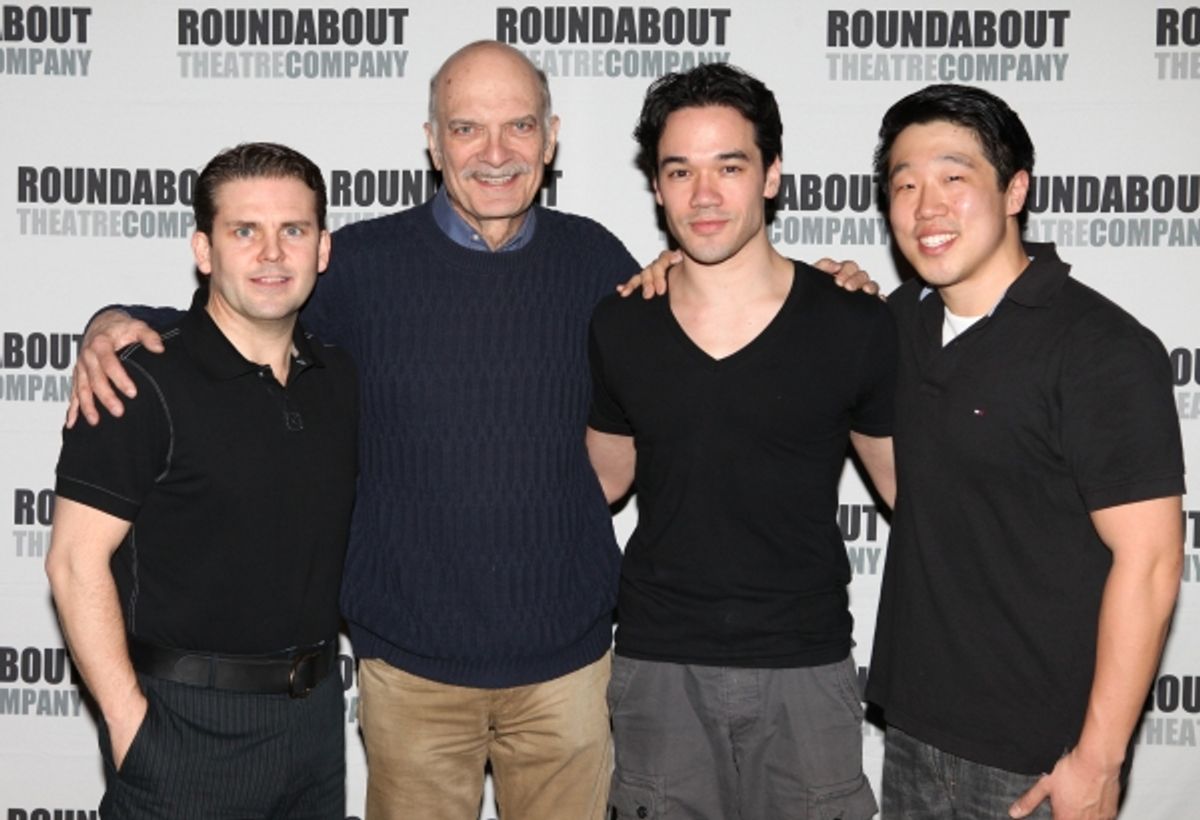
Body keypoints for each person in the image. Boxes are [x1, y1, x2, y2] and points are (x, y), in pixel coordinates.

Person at [65, 42, 872, 820]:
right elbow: (248, 307)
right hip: (409, 673)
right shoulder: (357, 265)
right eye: (466, 128)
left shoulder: (598, 261)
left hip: (570, 670)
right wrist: (117, 321)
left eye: (519, 125)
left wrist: (833, 279)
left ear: (551, 139)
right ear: (430, 142)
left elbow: (722, 291)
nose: (495, 152)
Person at [864, 84, 1184, 820]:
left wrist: (1099, 763)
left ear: (1015, 190)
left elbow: (1153, 561)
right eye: (903, 184)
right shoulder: (894, 326)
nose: (925, 207)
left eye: (953, 177)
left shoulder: (1100, 348)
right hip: (914, 732)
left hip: (1040, 761)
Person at [586, 63, 893, 819]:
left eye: (730, 166)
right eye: (680, 170)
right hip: (658, 662)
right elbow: (602, 482)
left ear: (772, 175)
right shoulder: (622, 324)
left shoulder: (851, 322)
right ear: (656, 188)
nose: (705, 194)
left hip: (805, 663)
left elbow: (913, 493)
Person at [45, 142, 357, 818]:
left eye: (293, 230)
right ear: (204, 250)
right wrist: (131, 725)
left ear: (322, 249)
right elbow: (73, 562)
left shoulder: (340, 380)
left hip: (314, 727)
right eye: (245, 231)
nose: (272, 253)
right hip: (184, 730)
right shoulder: (137, 382)